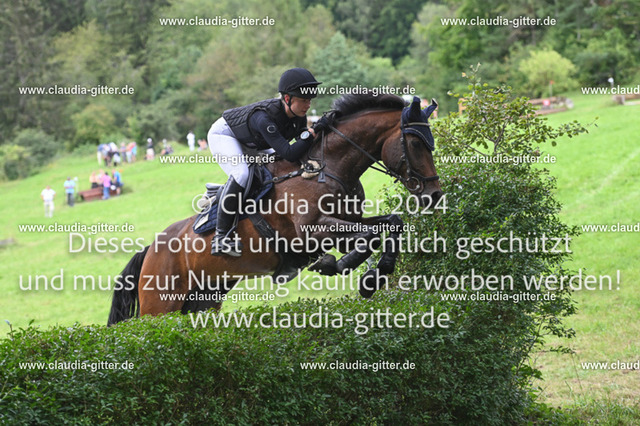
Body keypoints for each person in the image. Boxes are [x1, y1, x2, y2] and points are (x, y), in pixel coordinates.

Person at [206, 67, 325, 256]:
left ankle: (220, 192)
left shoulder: (298, 118)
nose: (308, 105)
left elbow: (299, 148)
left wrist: (321, 129)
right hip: (225, 135)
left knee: (276, 167)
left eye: (310, 100)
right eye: (304, 100)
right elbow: (289, 152)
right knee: (241, 174)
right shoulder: (264, 118)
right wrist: (313, 132)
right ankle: (220, 238)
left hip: (254, 141)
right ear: (288, 98)